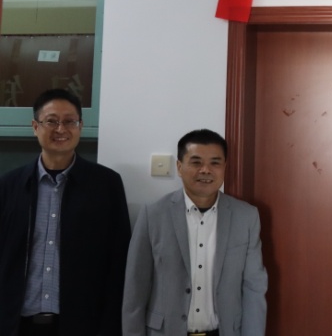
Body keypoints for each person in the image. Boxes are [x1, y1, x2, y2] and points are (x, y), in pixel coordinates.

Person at [0, 88, 131, 336]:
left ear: (80, 126)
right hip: (17, 324)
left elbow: (119, 262)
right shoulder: (9, 186)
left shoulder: (106, 185)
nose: (61, 129)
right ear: (35, 126)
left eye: (70, 121)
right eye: (51, 121)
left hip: (83, 325)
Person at [122, 128, 268, 336]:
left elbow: (254, 288)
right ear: (179, 167)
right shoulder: (152, 215)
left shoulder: (246, 217)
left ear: (225, 167)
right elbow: (135, 289)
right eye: (196, 162)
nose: (205, 170)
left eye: (215, 163)